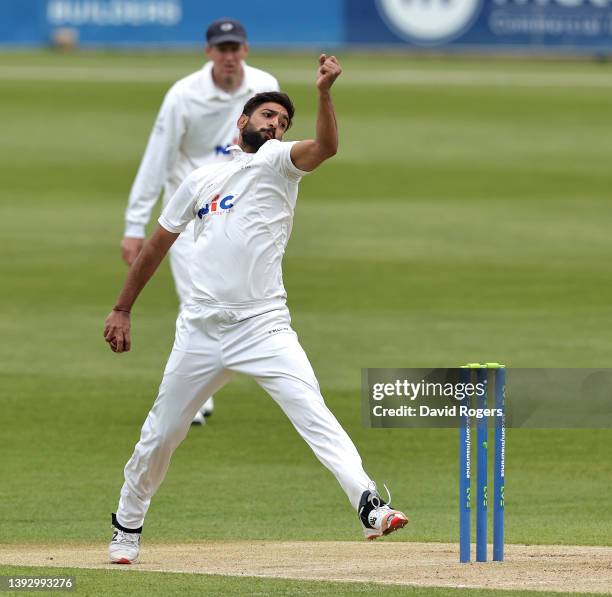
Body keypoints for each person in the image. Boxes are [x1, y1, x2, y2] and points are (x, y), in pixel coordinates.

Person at [104, 55, 408, 565]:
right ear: (241, 122)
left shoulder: (278, 163)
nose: (275, 125)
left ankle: (369, 504)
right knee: (160, 435)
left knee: (313, 412)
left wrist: (325, 93)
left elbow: (327, 147)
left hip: (264, 328)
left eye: (283, 121)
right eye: (267, 116)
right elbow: (156, 247)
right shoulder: (201, 181)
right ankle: (127, 524)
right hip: (201, 330)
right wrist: (122, 308)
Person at [121, 18, 279, 425]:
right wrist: (135, 226)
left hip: (243, 207)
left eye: (235, 49)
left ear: (245, 50)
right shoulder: (183, 96)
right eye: (221, 49)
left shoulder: (263, 86)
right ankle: (196, 396)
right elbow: (157, 157)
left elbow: (274, 151)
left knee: (243, 294)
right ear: (209, 52)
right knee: (196, 296)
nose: (228, 57)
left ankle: (226, 372)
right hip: (192, 209)